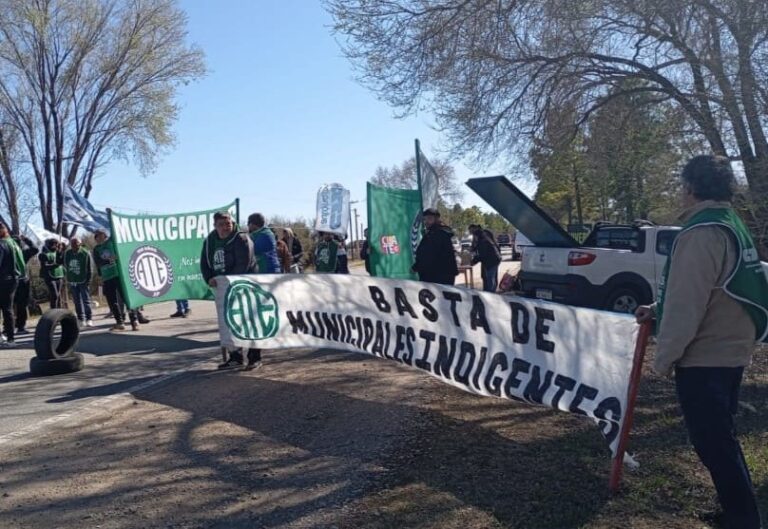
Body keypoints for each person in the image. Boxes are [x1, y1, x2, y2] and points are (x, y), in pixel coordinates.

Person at [636, 155, 768, 529]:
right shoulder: (731, 224)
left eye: (682, 186)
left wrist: (663, 360)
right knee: (719, 437)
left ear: (691, 188)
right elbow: (710, 288)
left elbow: (686, 302)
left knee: (713, 442)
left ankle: (743, 518)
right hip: (732, 350)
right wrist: (655, 309)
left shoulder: (699, 233)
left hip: (706, 356)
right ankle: (735, 510)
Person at [201, 211, 258, 370]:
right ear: (215, 226)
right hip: (224, 288)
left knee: (249, 321)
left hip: (245, 284)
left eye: (228, 224)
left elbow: (243, 263)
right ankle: (235, 356)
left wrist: (228, 281)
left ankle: (254, 357)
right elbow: (205, 263)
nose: (226, 227)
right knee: (230, 321)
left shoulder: (241, 238)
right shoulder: (210, 241)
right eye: (221, 225)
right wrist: (209, 278)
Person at [93, 229, 138, 331]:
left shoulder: (111, 242)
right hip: (107, 277)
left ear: (104, 235)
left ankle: (134, 320)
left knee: (126, 298)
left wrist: (111, 214)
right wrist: (109, 261)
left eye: (99, 235)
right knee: (112, 300)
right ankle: (120, 322)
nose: (97, 238)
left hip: (119, 274)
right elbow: (98, 263)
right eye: (96, 236)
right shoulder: (96, 249)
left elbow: (115, 229)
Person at [413, 208, 458, 285]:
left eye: (429, 219)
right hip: (432, 276)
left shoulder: (440, 234)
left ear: (437, 219)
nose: (426, 222)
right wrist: (416, 266)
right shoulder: (431, 234)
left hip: (439, 277)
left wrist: (418, 266)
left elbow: (429, 255)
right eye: (425, 219)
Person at [0, 223, 24, 346]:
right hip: (13, 278)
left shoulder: (1, 244)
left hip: (3, 279)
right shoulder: (12, 243)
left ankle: (7, 337)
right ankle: (10, 338)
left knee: (6, 309)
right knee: (8, 308)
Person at [63, 237, 94, 327]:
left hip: (83, 280)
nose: (73, 245)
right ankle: (81, 318)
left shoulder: (85, 253)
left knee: (86, 300)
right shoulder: (67, 253)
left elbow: (90, 268)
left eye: (75, 243)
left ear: (79, 244)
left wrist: (88, 280)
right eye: (72, 243)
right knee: (77, 301)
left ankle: (89, 318)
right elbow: (65, 265)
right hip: (73, 280)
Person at [12, 235, 38, 335]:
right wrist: (26, 239)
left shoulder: (20, 253)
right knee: (20, 305)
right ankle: (19, 327)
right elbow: (35, 249)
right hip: (19, 281)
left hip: (17, 282)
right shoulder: (23, 252)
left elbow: (35, 250)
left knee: (13, 305)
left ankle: (14, 327)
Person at [471, 225, 502, 292]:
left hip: (492, 260)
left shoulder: (482, 240)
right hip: (494, 258)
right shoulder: (483, 237)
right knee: (489, 278)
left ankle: (491, 294)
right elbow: (478, 250)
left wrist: (473, 261)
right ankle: (490, 292)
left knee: (490, 278)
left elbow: (481, 254)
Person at [38, 238, 65, 309]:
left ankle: (59, 311)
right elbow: (45, 266)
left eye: (57, 245)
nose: (56, 246)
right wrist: (56, 265)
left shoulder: (58, 252)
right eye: (54, 245)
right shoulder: (43, 254)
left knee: (58, 296)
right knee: (54, 295)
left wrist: (61, 251)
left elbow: (62, 261)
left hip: (59, 275)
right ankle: (53, 311)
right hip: (49, 277)